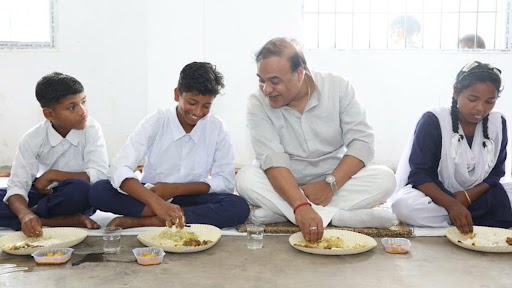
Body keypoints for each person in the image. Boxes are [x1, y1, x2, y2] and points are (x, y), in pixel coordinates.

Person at [236, 38, 397, 243]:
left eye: (274, 81)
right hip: (283, 183)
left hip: (334, 181)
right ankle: (338, 217)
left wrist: (331, 184)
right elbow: (272, 159)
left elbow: (362, 143)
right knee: (245, 179)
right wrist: (300, 204)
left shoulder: (337, 87)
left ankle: (284, 213)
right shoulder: (257, 102)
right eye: (261, 80)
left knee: (385, 179)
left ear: (300, 74)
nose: (266, 89)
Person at [89, 62, 250, 229]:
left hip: (191, 196)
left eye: (206, 106)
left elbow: (225, 181)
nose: (197, 112)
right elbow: (119, 168)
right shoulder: (157, 121)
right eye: (192, 102)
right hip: (151, 193)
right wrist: (157, 203)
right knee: (99, 191)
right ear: (177, 94)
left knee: (238, 207)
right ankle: (173, 215)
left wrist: (175, 189)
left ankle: (146, 221)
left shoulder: (216, 128)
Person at [391, 61, 512, 234]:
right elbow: (420, 174)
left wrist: (467, 197)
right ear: (456, 92)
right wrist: (453, 204)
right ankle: (474, 217)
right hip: (436, 196)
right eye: (473, 99)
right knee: (404, 206)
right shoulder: (434, 120)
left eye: (489, 101)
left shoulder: (498, 122)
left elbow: (497, 173)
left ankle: (461, 218)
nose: (480, 108)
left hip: (479, 196)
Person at [0, 72, 108, 237]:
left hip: (73, 195)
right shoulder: (32, 138)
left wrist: (53, 175)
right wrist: (24, 214)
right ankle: (51, 219)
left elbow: (99, 175)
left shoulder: (91, 129)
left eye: (83, 102)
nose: (82, 111)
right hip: (44, 194)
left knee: (84, 190)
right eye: (72, 107)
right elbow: (17, 186)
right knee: (9, 196)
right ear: (49, 114)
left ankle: (41, 217)